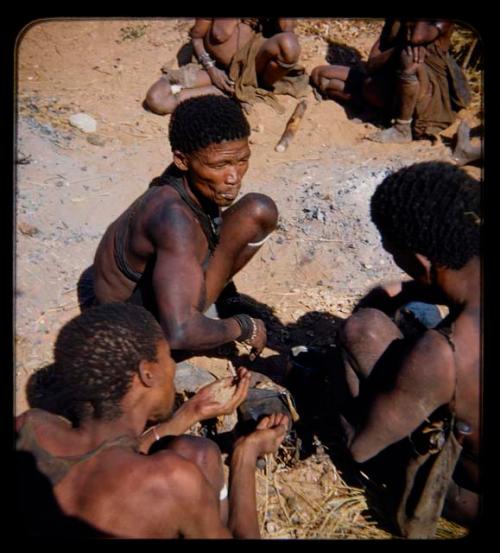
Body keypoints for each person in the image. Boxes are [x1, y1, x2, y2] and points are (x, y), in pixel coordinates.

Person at [17, 303, 289, 538]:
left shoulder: (29, 428)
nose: (172, 367)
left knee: (196, 449)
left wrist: (191, 411)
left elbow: (107, 457)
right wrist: (245, 454)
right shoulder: (171, 482)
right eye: (168, 357)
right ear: (147, 373)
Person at [336, 161, 480, 535]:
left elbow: (362, 449)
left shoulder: (443, 354)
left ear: (418, 259)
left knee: (362, 331)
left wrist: (330, 394)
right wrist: (414, 289)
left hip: (469, 496)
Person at [82, 95, 277, 359]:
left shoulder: (194, 181)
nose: (233, 178)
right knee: (191, 327)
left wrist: (227, 298)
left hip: (162, 291)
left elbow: (211, 230)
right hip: (129, 328)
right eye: (219, 166)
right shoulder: (174, 218)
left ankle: (219, 296)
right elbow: (179, 332)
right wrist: (242, 327)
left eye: (241, 160)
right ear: (182, 160)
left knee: (259, 211)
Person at [311, 19, 471, 143]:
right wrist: (398, 49)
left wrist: (406, 49)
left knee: (409, 58)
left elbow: (416, 37)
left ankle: (402, 128)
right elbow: (372, 64)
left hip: (427, 98)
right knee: (320, 75)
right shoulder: (394, 23)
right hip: (390, 91)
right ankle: (377, 113)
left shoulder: (439, 22)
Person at [145, 18, 308, 115]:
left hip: (251, 71)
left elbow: (288, 32)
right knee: (157, 99)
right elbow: (196, 38)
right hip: (212, 70)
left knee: (289, 44)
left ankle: (249, 88)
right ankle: (229, 93)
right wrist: (211, 70)